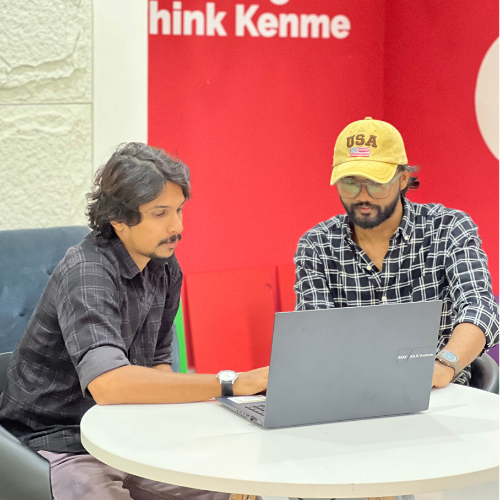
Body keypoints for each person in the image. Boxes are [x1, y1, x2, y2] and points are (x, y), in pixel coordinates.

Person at [0, 143, 268, 500]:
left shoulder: (165, 268)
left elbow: (159, 369)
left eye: (179, 210)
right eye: (160, 214)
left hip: (126, 432)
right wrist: (231, 383)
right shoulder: (87, 270)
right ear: (119, 219)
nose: (177, 227)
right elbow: (110, 385)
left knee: (233, 484)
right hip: (57, 438)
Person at [294, 118, 500, 500]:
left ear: (404, 178)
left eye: (376, 182)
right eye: (350, 182)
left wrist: (445, 364)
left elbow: (480, 307)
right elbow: (314, 333)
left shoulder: (449, 228)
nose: (362, 195)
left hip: (436, 403)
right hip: (351, 403)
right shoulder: (316, 245)